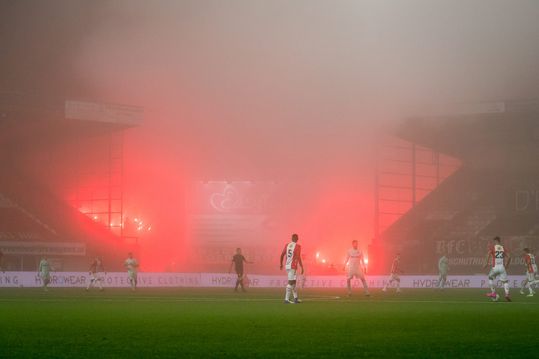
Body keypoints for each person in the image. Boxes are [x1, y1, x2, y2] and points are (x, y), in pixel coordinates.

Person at [483, 236, 511, 302]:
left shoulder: (493, 248)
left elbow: (488, 255)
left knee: (490, 278)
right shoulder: (503, 248)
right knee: (505, 282)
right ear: (499, 241)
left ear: (495, 241)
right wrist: (507, 265)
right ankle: (507, 294)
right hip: (502, 267)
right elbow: (509, 257)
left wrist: (486, 263)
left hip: (495, 267)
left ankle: (493, 293)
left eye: (494, 241)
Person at [280, 233, 304, 304]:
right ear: (296, 239)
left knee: (293, 282)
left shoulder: (287, 245)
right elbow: (298, 257)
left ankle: (295, 298)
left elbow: (282, 255)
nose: (297, 239)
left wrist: (281, 264)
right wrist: (302, 266)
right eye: (297, 238)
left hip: (287, 266)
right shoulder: (298, 246)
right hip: (292, 266)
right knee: (290, 282)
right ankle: (286, 299)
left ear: (291, 238)